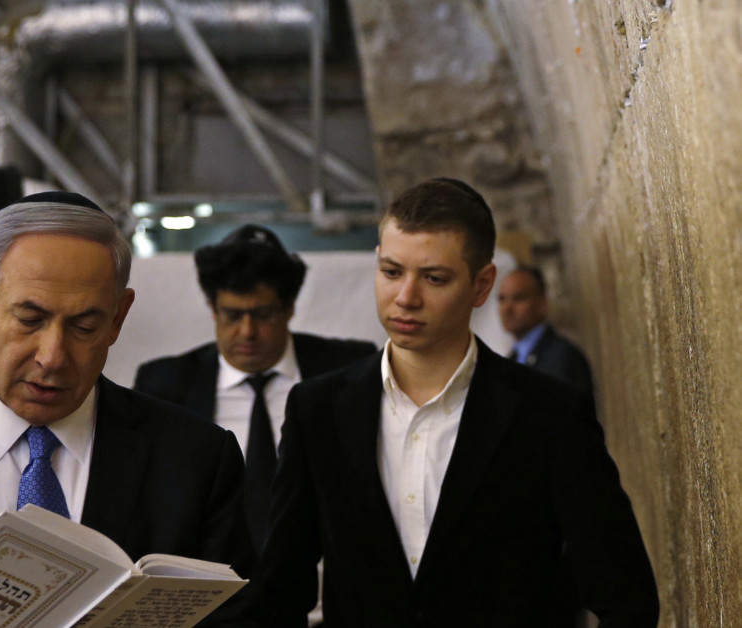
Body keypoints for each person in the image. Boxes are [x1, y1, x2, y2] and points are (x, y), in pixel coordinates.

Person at [0, 192, 262, 627]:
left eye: (84, 327)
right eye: (30, 320)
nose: (53, 356)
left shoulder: (195, 461)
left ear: (119, 318)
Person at [260, 178, 659, 627]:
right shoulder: (318, 409)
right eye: (392, 272)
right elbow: (281, 589)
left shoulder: (549, 414)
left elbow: (626, 598)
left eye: (434, 278)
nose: (406, 297)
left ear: (482, 284)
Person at [133, 224, 376, 552]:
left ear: (289, 307)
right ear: (212, 307)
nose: (247, 332)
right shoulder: (165, 384)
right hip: (212, 582)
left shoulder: (349, 370)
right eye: (232, 315)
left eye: (263, 315)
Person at [498, 265, 594, 392]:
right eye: (501, 299)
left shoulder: (563, 357)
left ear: (542, 303)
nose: (507, 309)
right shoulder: (509, 361)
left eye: (519, 298)